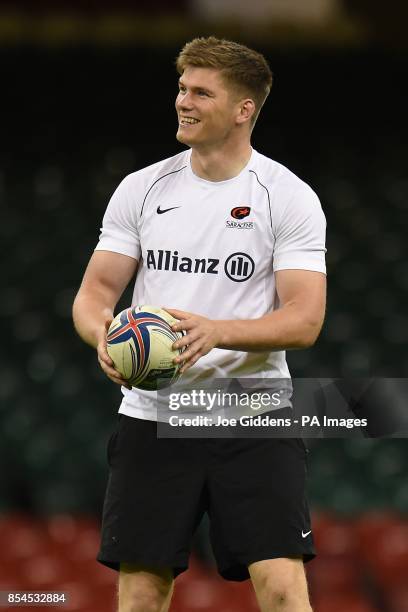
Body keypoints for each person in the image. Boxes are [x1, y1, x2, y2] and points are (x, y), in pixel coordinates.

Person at [73, 36, 326, 612]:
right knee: (141, 593)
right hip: (154, 417)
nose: (183, 101)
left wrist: (217, 330)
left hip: (251, 416)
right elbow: (95, 294)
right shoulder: (142, 188)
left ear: (244, 109)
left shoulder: (287, 197)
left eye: (201, 92)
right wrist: (102, 338)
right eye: (182, 88)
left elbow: (305, 320)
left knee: (284, 588)